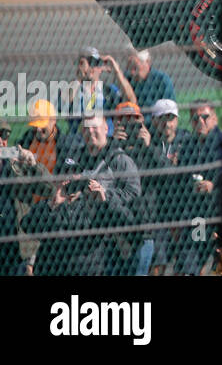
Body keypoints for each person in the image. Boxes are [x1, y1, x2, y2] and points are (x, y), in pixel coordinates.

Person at [22, 114, 141, 275]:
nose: (90, 131)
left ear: (106, 128)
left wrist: (104, 197)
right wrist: (53, 204)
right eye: (85, 128)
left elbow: (131, 209)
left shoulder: (120, 163)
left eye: (94, 127)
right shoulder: (53, 202)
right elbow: (28, 224)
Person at [136, 98, 186, 274]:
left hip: (184, 212)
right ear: (154, 120)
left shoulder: (186, 141)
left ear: (177, 120)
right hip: (159, 214)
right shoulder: (147, 144)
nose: (167, 123)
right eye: (162, 118)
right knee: (158, 265)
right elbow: (167, 171)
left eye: (171, 118)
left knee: (190, 262)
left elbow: (176, 174)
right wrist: (153, 150)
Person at [174, 100, 222, 275]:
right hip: (198, 213)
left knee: (221, 265)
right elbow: (180, 180)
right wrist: (192, 185)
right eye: (195, 119)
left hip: (221, 214)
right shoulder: (188, 145)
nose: (201, 122)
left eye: (205, 117)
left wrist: (213, 185)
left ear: (215, 118)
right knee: (194, 257)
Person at [107, 101, 156, 275]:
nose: (129, 128)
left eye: (133, 123)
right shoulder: (110, 150)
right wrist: (113, 143)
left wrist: (149, 147)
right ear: (116, 124)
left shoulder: (148, 150)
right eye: (123, 122)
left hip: (143, 229)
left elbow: (169, 174)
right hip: (116, 230)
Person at [1, 118, 52, 276]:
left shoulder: (17, 165)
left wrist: (33, 165)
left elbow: (49, 189)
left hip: (18, 252)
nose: (2, 141)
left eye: (4, 136)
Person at [61, 47, 137, 138]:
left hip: (106, 140)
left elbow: (131, 100)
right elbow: (64, 105)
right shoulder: (73, 89)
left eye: (95, 63)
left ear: (101, 68)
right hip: (80, 140)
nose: (92, 67)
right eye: (88, 63)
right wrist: (79, 78)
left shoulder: (108, 90)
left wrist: (116, 70)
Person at [124, 50, 174, 123]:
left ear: (147, 62)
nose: (131, 72)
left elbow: (169, 111)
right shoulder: (126, 79)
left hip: (157, 126)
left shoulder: (162, 80)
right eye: (129, 67)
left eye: (135, 67)